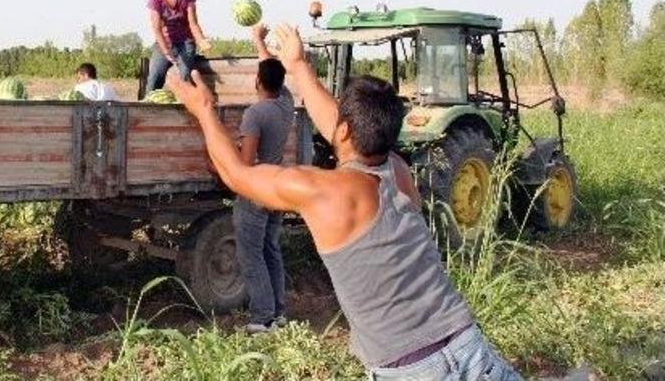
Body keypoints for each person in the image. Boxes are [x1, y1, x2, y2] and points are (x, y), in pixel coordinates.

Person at [165, 24, 523, 380]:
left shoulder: (325, 193)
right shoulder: (397, 170)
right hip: (470, 349)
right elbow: (337, 127)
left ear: (345, 130)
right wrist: (299, 66)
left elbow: (236, 175)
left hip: (412, 370)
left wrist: (205, 111)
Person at [234, 24, 295, 333]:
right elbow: (272, 69)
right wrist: (259, 42)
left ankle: (261, 319)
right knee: (270, 247)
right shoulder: (286, 105)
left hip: (256, 191)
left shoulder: (255, 114)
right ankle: (279, 313)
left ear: (257, 81)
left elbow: (246, 163)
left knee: (251, 253)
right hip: (277, 188)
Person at [145, 0, 213, 95]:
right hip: (164, 43)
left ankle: (186, 107)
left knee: (186, 74)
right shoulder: (155, 0)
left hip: (185, 42)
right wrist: (166, 52)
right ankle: (148, 105)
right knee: (155, 77)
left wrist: (201, 40)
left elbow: (193, 23)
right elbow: (157, 29)